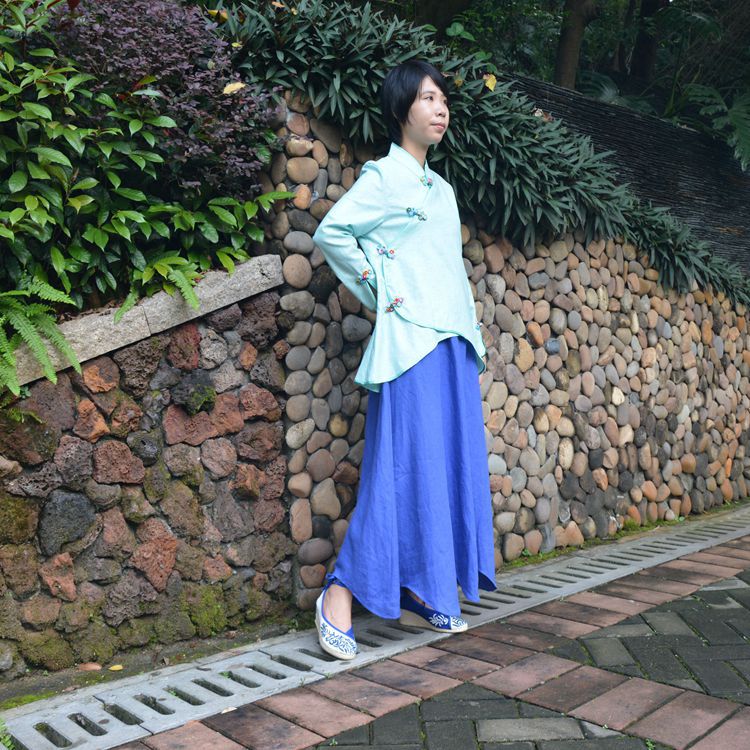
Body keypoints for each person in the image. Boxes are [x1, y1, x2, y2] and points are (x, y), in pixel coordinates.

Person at [311, 59, 497, 660]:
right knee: (397, 470)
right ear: (401, 110)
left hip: (453, 344)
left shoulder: (442, 191)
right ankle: (340, 591)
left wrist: (470, 338)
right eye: (426, 98)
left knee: (440, 468)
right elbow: (334, 233)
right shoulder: (384, 178)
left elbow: (447, 270)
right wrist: (380, 290)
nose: (440, 108)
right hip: (411, 344)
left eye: (443, 99)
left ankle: (422, 586)